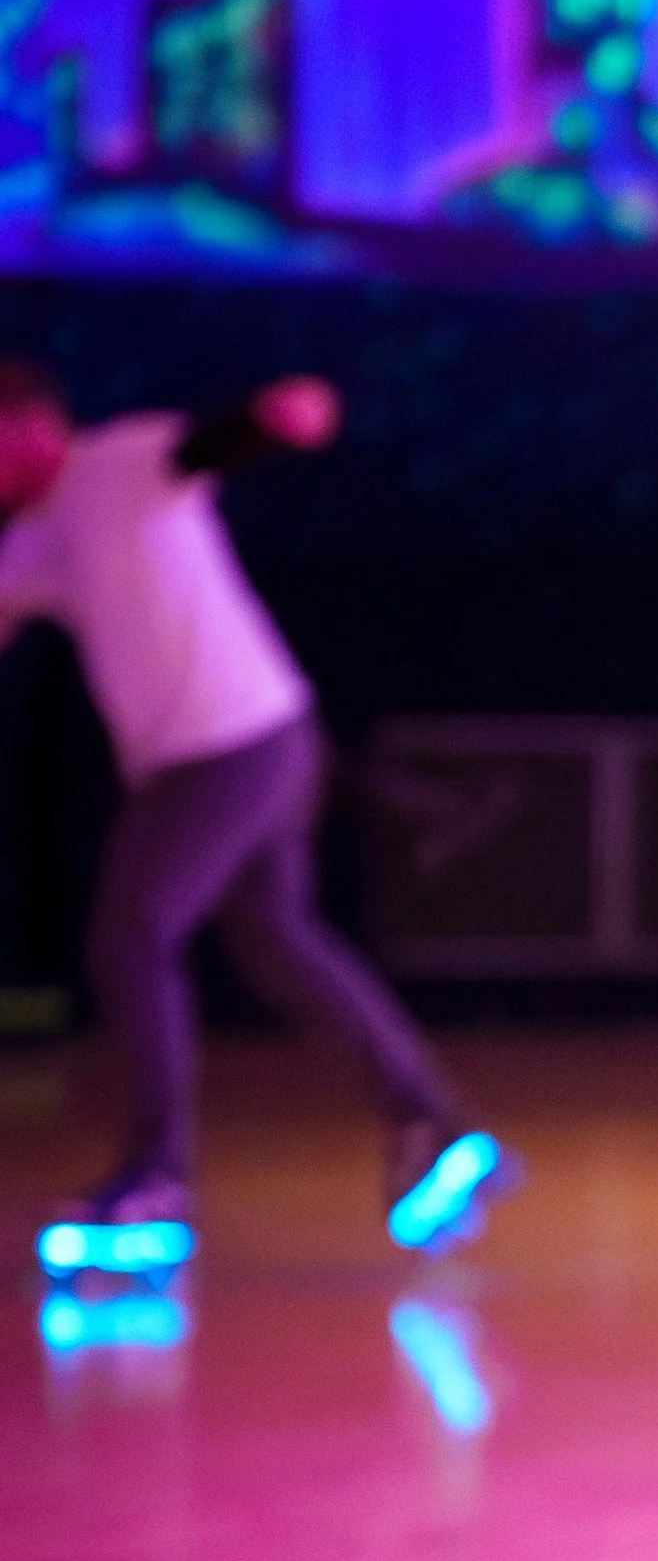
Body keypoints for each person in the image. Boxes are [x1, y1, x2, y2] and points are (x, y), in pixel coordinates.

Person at [0, 360, 514, 1258]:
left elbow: (208, 445)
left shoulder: (117, 461)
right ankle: (439, 1128)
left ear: (31, 425)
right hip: (267, 737)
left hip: (228, 747)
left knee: (132, 934)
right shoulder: (32, 542)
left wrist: (272, 421)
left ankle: (156, 1182)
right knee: (280, 940)